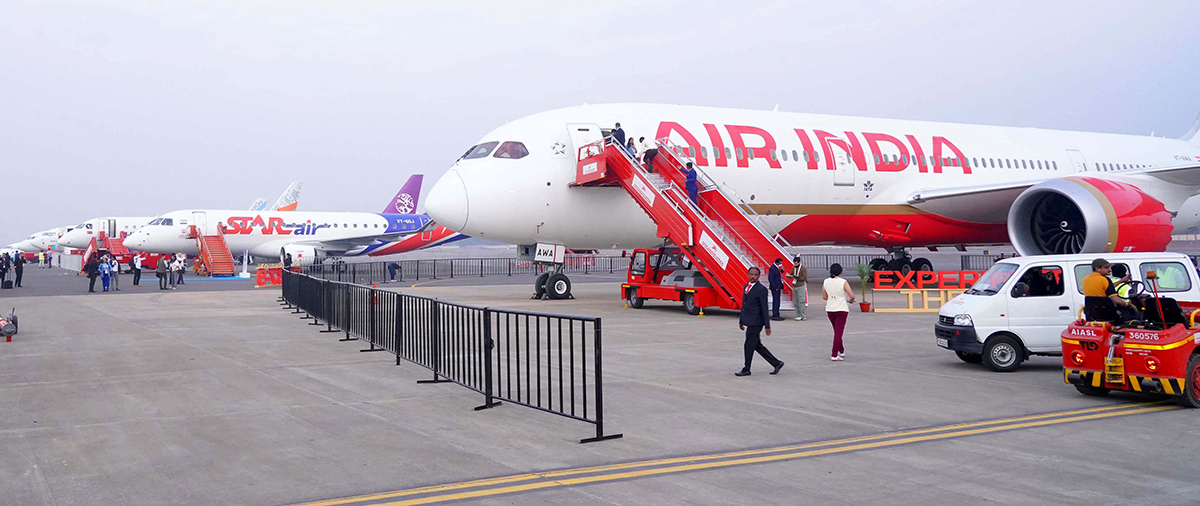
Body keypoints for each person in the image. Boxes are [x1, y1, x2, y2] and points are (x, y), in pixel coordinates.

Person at [735, 266, 784, 377]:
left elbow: (764, 308)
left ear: (759, 276)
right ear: (748, 274)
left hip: (756, 322)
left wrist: (767, 325)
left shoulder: (761, 289)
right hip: (748, 320)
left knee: (748, 345)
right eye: (751, 274)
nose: (753, 277)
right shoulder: (746, 287)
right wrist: (741, 320)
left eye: (755, 275)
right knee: (756, 345)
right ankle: (776, 363)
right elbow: (744, 305)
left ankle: (746, 368)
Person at [823, 263, 855, 361]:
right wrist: (851, 300)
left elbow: (824, 297)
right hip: (841, 308)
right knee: (838, 332)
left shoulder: (826, 281)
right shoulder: (843, 282)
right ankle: (834, 353)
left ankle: (841, 350)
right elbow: (852, 295)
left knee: (837, 331)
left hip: (830, 308)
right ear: (840, 272)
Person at [787, 256, 808, 321]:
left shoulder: (803, 269)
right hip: (795, 286)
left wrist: (797, 277)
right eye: (794, 263)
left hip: (800, 286)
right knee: (796, 301)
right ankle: (798, 314)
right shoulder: (793, 268)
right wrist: (790, 276)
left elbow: (805, 278)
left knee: (801, 301)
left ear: (799, 262)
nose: (795, 264)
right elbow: (791, 274)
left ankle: (802, 315)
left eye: (796, 263)